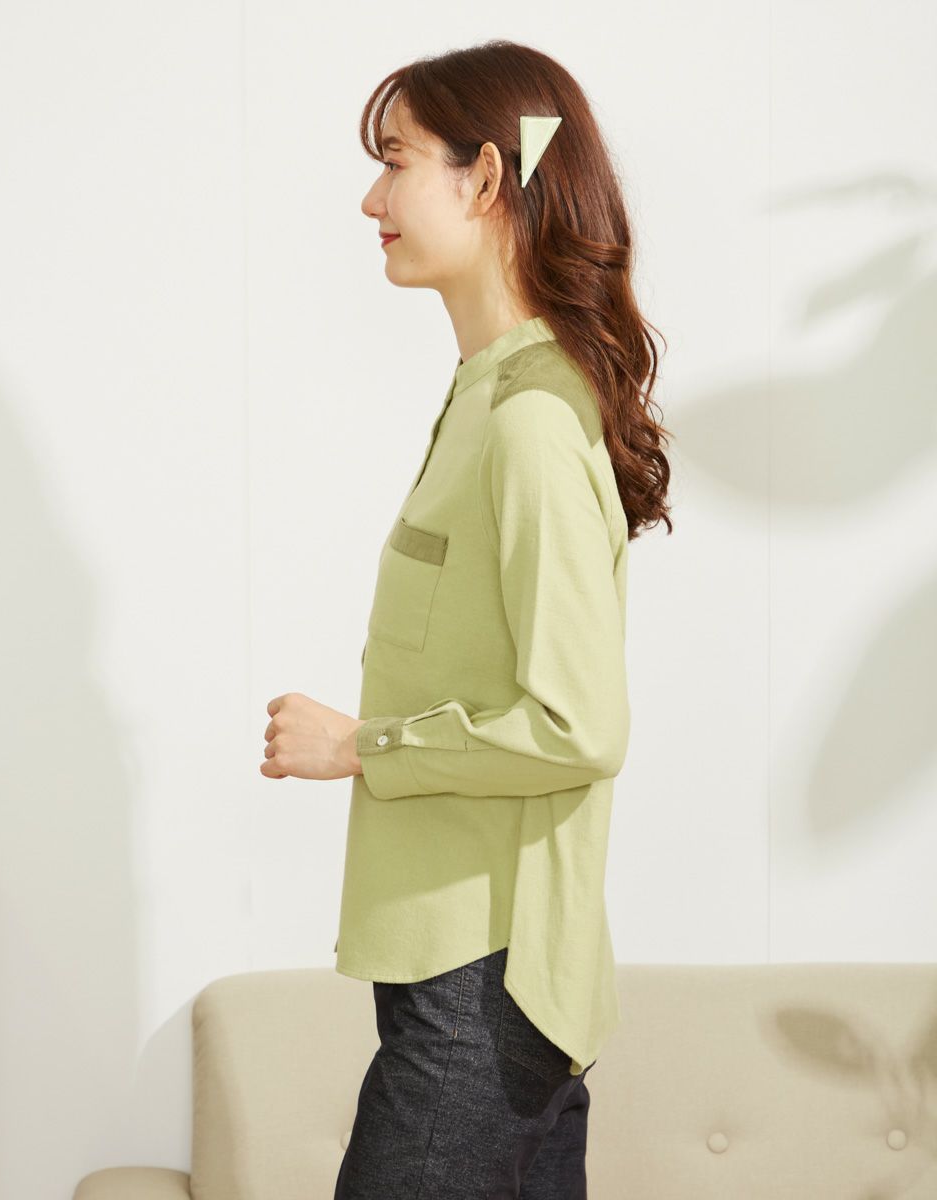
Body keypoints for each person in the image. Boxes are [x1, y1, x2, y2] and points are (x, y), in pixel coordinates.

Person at [260, 38, 672, 1200]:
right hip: (466, 982)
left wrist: (361, 745)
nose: (371, 198)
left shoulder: (533, 419)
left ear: (486, 177)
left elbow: (581, 726)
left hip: (482, 992)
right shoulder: (490, 394)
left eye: (395, 161)